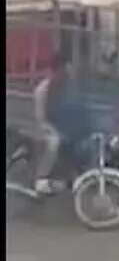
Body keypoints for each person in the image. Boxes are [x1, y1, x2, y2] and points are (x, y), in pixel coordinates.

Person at [28, 48, 79, 195]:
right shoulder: (42, 90)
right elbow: (40, 119)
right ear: (56, 71)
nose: (66, 76)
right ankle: (41, 179)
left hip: (63, 125)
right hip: (46, 128)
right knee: (54, 142)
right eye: (63, 72)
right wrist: (56, 130)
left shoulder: (68, 87)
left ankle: (72, 176)